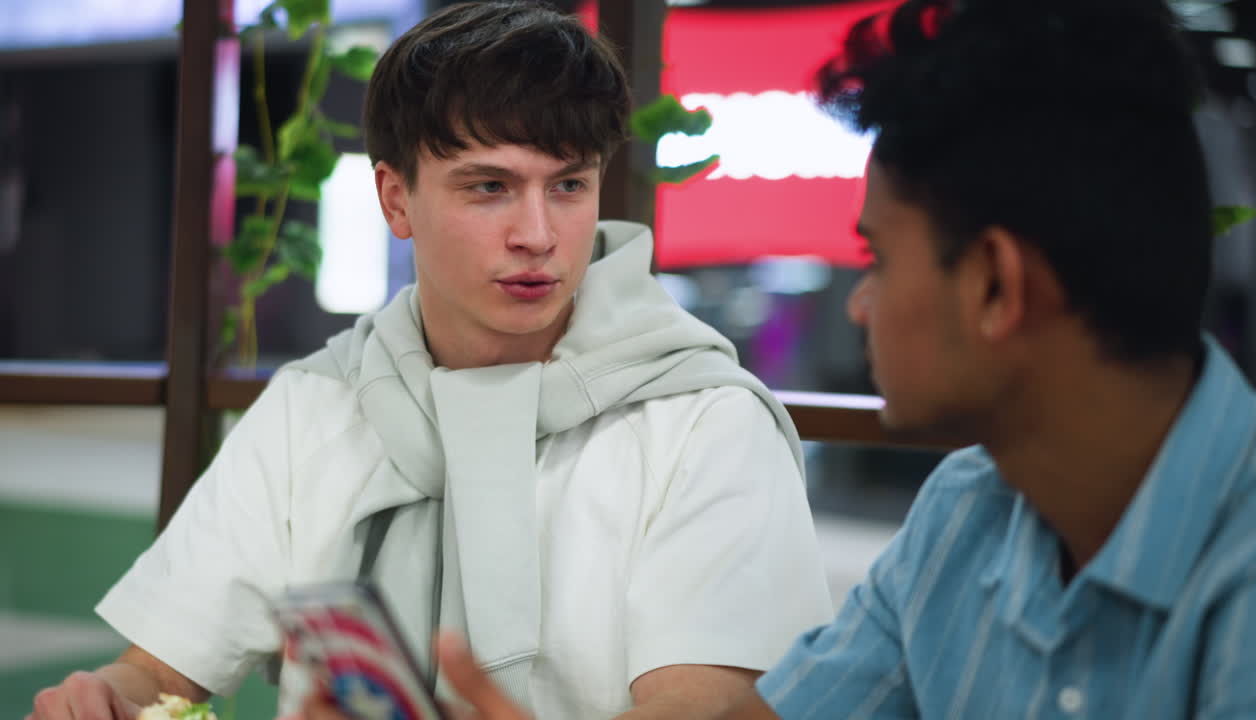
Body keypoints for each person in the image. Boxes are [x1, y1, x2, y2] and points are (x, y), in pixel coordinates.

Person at [421, 0, 1256, 718]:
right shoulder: (968, 514)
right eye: (488, 186)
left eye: (879, 259)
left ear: (993, 287)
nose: (861, 305)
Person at [26, 3, 833, 719]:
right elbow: (160, 669)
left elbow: (711, 702)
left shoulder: (702, 418)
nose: (538, 234)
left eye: (568, 186)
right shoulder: (318, 403)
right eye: (489, 187)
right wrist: (105, 699)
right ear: (394, 199)